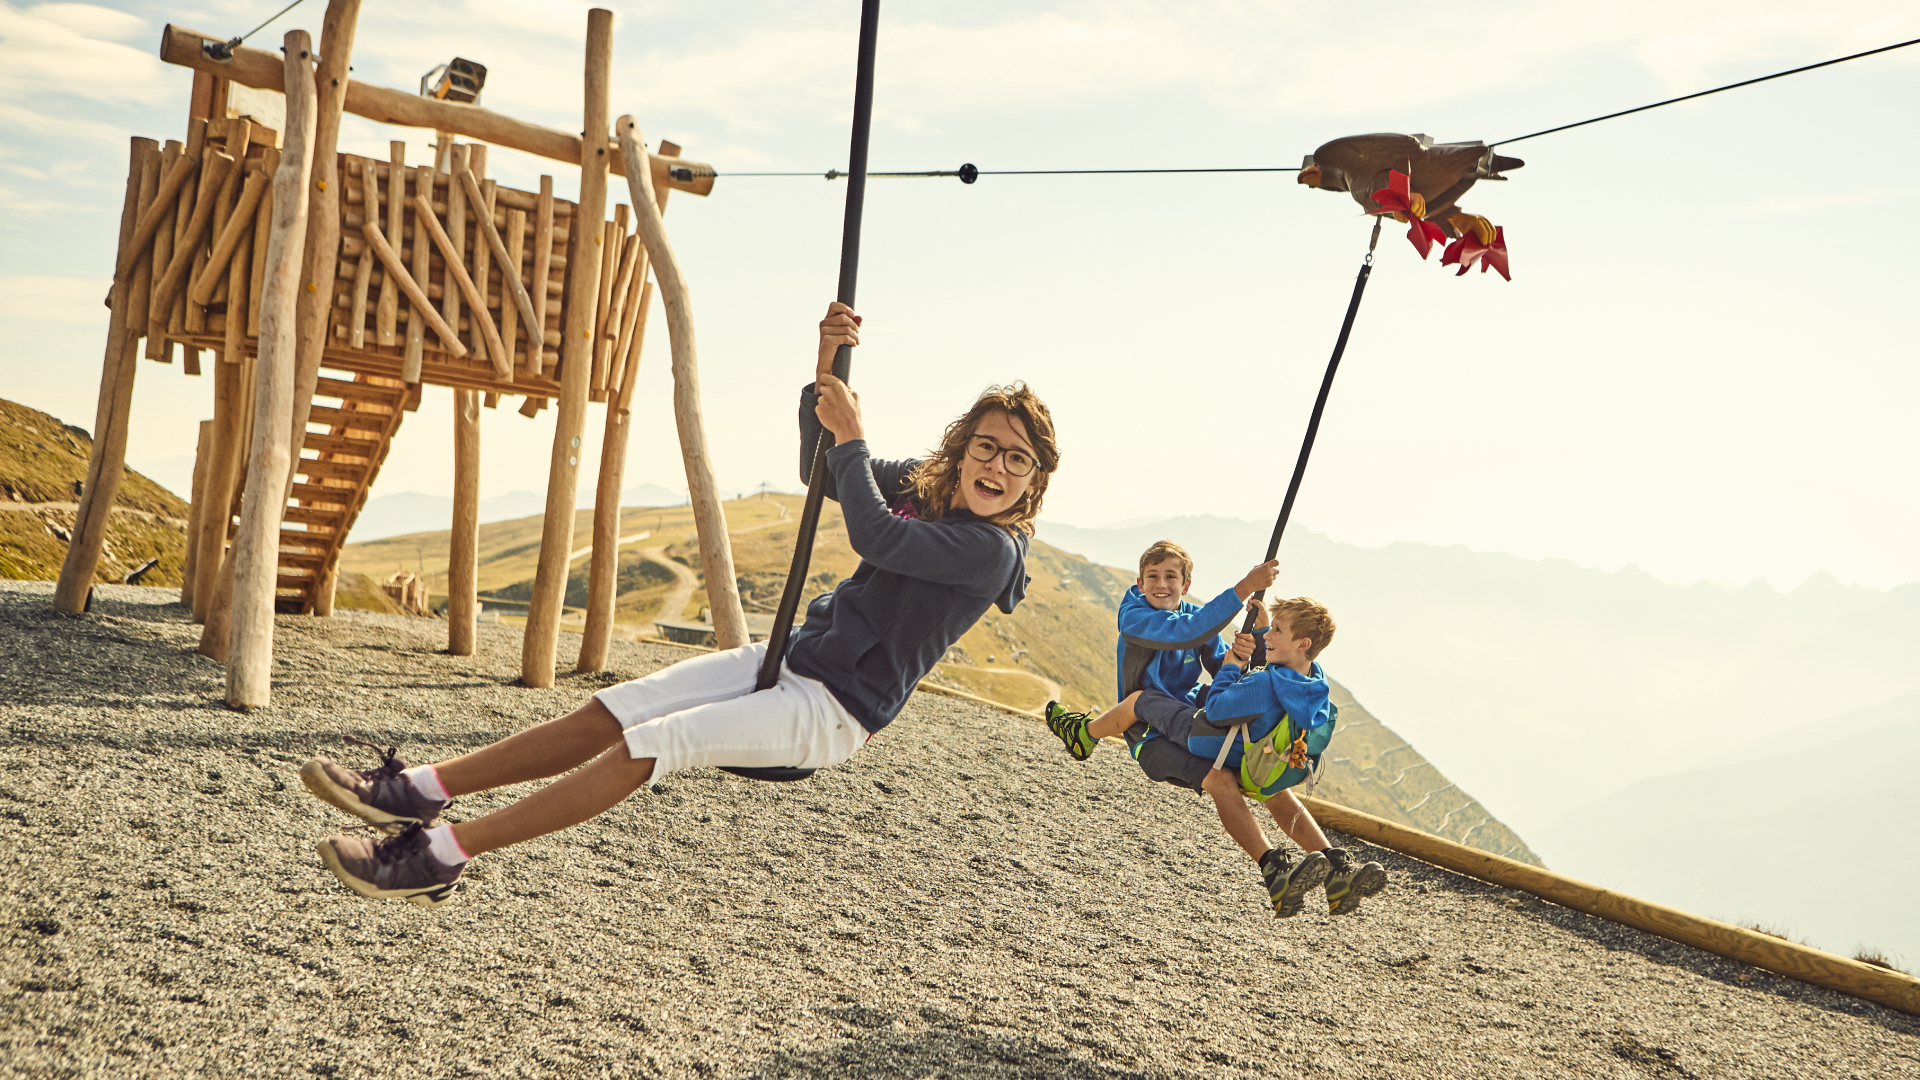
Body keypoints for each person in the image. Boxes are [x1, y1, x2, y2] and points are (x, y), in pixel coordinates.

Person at [301, 302, 1060, 906]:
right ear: (964, 448)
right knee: (618, 708)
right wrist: (825, 369)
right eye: (987, 446)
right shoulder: (928, 486)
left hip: (832, 711)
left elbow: (874, 537)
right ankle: (417, 791)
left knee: (655, 744)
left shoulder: (993, 554)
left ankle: (439, 855)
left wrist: (855, 436)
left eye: (1017, 459)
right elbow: (819, 470)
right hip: (790, 657)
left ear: (1034, 481)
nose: (996, 466)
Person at [1048, 596, 1386, 917]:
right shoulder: (1314, 682)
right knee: (1276, 795)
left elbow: (1217, 709)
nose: (1269, 634)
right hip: (1267, 758)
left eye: (1277, 630)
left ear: (1303, 644)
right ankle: (1337, 868)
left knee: (1142, 699)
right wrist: (1259, 636)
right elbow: (1268, 678)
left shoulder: (1265, 685)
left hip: (1211, 741)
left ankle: (1084, 735)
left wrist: (1230, 666)